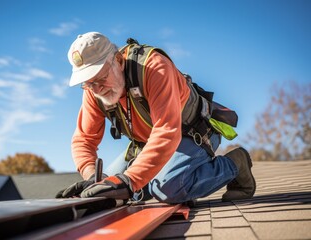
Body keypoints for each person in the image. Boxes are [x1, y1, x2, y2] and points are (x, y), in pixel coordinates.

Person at [56, 32, 256, 203]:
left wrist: (130, 181)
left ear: (118, 60)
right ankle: (182, 181)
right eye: (89, 83)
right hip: (148, 143)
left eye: (101, 78)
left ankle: (235, 163)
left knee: (165, 188)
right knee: (105, 191)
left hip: (194, 133)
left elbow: (166, 132)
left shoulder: (154, 68)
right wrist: (93, 176)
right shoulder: (93, 90)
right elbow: (84, 140)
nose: (96, 88)